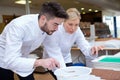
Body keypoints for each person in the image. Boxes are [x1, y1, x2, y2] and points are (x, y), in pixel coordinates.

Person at [0, 2, 68, 80]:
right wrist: (39, 62)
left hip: (23, 58)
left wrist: (64, 75)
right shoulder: (19, 26)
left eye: (58, 25)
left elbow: (55, 51)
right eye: (55, 24)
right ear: (43, 19)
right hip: (4, 58)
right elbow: (10, 60)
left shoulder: (49, 29)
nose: (57, 29)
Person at [42, 8, 104, 80]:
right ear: (64, 21)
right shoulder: (56, 30)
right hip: (52, 59)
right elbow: (56, 54)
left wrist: (91, 50)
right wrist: (65, 74)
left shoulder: (77, 30)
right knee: (63, 77)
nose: (73, 28)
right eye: (70, 24)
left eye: (76, 25)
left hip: (66, 58)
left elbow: (84, 46)